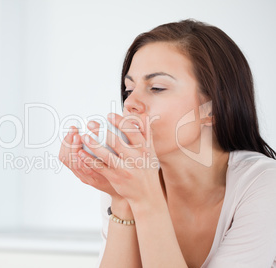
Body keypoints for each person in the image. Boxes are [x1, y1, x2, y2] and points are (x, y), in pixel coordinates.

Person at [58, 19, 276, 267]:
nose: (130, 103)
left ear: (212, 108)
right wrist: (122, 200)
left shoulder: (263, 184)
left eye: (157, 87)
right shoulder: (129, 179)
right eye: (129, 89)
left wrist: (144, 199)